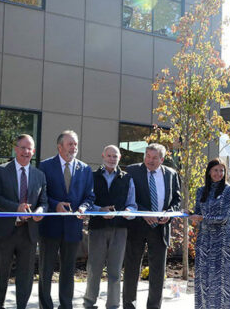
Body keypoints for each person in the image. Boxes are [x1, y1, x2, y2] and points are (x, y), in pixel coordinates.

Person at [0, 134, 48, 309]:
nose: (26, 151)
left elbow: (44, 202)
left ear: (34, 151)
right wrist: (16, 208)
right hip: (5, 230)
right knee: (1, 272)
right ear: (15, 149)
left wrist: (40, 212)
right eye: (22, 147)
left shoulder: (40, 175)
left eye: (29, 148)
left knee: (26, 274)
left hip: (29, 232)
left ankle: (21, 306)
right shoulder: (1, 170)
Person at [38, 130, 94, 309]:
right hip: (50, 227)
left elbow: (90, 196)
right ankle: (45, 305)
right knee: (46, 270)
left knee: (68, 271)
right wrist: (55, 205)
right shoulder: (45, 166)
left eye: (76, 144)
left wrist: (84, 207)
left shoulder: (85, 169)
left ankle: (66, 305)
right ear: (59, 146)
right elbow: (41, 194)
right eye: (70, 144)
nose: (74, 147)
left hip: (72, 227)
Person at [122, 143, 181, 309]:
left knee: (158, 272)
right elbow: (125, 197)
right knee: (132, 269)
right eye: (147, 156)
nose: (150, 160)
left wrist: (167, 214)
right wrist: (144, 212)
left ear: (162, 159)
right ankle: (129, 305)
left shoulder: (171, 174)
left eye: (155, 157)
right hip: (137, 227)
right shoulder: (132, 171)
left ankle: (154, 306)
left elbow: (177, 200)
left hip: (160, 229)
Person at [83, 145, 137, 309]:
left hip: (119, 229)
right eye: (109, 156)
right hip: (97, 228)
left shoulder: (127, 178)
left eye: (115, 156)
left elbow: (132, 204)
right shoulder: (92, 177)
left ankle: (113, 304)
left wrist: (128, 211)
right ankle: (89, 302)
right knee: (94, 267)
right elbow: (87, 202)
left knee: (115, 270)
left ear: (119, 158)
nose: (112, 159)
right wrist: (100, 210)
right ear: (103, 156)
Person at [190, 158, 230, 309]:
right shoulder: (201, 190)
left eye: (222, 170)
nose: (219, 173)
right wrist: (190, 214)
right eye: (215, 170)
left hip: (225, 242)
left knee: (225, 281)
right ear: (209, 172)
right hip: (205, 240)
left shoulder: (229, 190)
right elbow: (199, 213)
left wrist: (202, 218)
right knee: (205, 279)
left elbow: (225, 218)